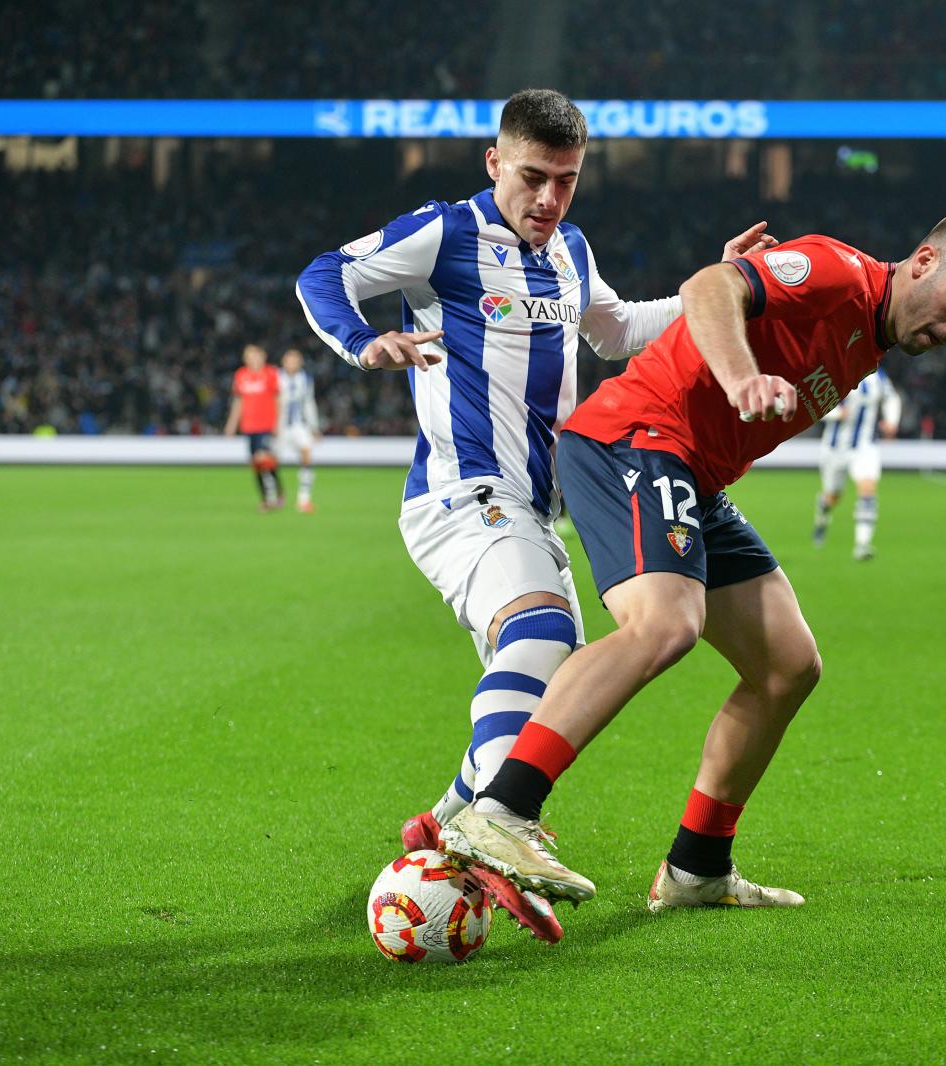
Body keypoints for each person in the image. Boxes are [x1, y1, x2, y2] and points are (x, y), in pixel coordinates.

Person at [440, 211, 946, 913]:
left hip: (695, 476)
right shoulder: (841, 274)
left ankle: (697, 867)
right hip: (634, 438)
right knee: (665, 625)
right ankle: (501, 808)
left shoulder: (871, 334)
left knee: (788, 665)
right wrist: (742, 375)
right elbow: (709, 287)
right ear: (925, 261)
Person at [295, 88, 776, 942]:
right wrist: (364, 340)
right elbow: (323, 274)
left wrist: (719, 288)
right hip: (462, 496)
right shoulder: (444, 233)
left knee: (556, 672)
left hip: (534, 506)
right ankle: (490, 826)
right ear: (494, 164)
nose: (549, 199)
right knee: (545, 638)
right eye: (533, 177)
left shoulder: (570, 250)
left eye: (567, 181)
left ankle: (448, 828)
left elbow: (620, 329)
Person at [812, 368, 901, 560]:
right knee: (833, 496)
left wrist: (891, 421)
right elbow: (813, 404)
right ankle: (823, 511)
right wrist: (836, 413)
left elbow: (892, 397)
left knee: (868, 488)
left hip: (865, 446)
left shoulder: (878, 377)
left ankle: (862, 544)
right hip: (835, 449)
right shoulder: (837, 370)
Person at [222, 344, 281, 511]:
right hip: (249, 425)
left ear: (262, 356)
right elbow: (238, 402)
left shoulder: (271, 373)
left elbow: (278, 400)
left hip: (266, 424)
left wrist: (277, 422)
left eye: (254, 355)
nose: (252, 359)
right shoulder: (241, 375)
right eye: (248, 356)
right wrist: (231, 425)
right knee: (256, 464)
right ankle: (268, 495)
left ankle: (271, 499)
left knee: (263, 459)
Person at [276, 349, 322, 513]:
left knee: (306, 455)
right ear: (283, 362)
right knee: (271, 462)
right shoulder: (275, 377)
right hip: (278, 425)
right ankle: (275, 496)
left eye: (295, 360)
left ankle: (304, 499)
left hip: (298, 424)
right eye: (289, 360)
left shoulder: (305, 379)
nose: (292, 364)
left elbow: (309, 403)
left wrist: (314, 427)